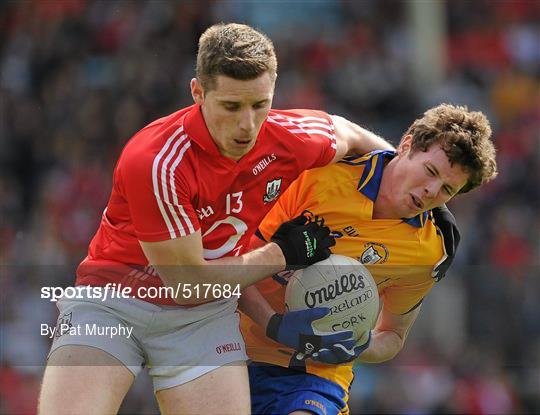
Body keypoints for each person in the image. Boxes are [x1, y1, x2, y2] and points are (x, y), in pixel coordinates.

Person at [38, 23, 395, 414]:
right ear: (198, 92)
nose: (247, 125)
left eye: (260, 105)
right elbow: (187, 282)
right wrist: (282, 253)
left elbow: (352, 136)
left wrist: (427, 205)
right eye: (231, 106)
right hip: (114, 302)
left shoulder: (291, 137)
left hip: (202, 318)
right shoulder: (157, 161)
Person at [239, 104, 498, 415]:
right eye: (430, 171)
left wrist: (358, 345)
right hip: (231, 346)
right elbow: (234, 268)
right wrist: (275, 326)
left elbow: (393, 335)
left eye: (447, 189)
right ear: (407, 145)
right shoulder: (321, 174)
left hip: (314, 375)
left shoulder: (430, 250)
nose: (431, 191)